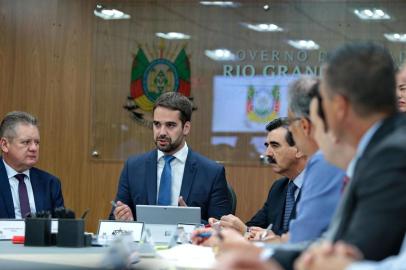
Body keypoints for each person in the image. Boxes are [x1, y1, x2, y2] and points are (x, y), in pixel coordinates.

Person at [111, 92, 232, 222]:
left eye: (170, 125)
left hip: (189, 242)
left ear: (186, 128)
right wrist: (126, 220)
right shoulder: (133, 168)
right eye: (157, 124)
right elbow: (114, 220)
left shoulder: (212, 173)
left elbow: (222, 228)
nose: (162, 132)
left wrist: (192, 222)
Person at [208, 118, 307, 237]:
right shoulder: (279, 187)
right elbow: (255, 225)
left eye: (275, 145)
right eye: (267, 146)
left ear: (300, 150)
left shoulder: (319, 187)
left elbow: (302, 238)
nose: (267, 153)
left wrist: (247, 232)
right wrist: (228, 227)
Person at [282, 76, 344, 244]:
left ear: (304, 125)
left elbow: (301, 239)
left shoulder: (324, 160)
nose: (289, 133)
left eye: (289, 123)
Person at [0, 111, 64, 218]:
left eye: (37, 142)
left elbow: (61, 228)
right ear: (5, 145)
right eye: (26, 142)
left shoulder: (50, 184)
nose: (34, 148)